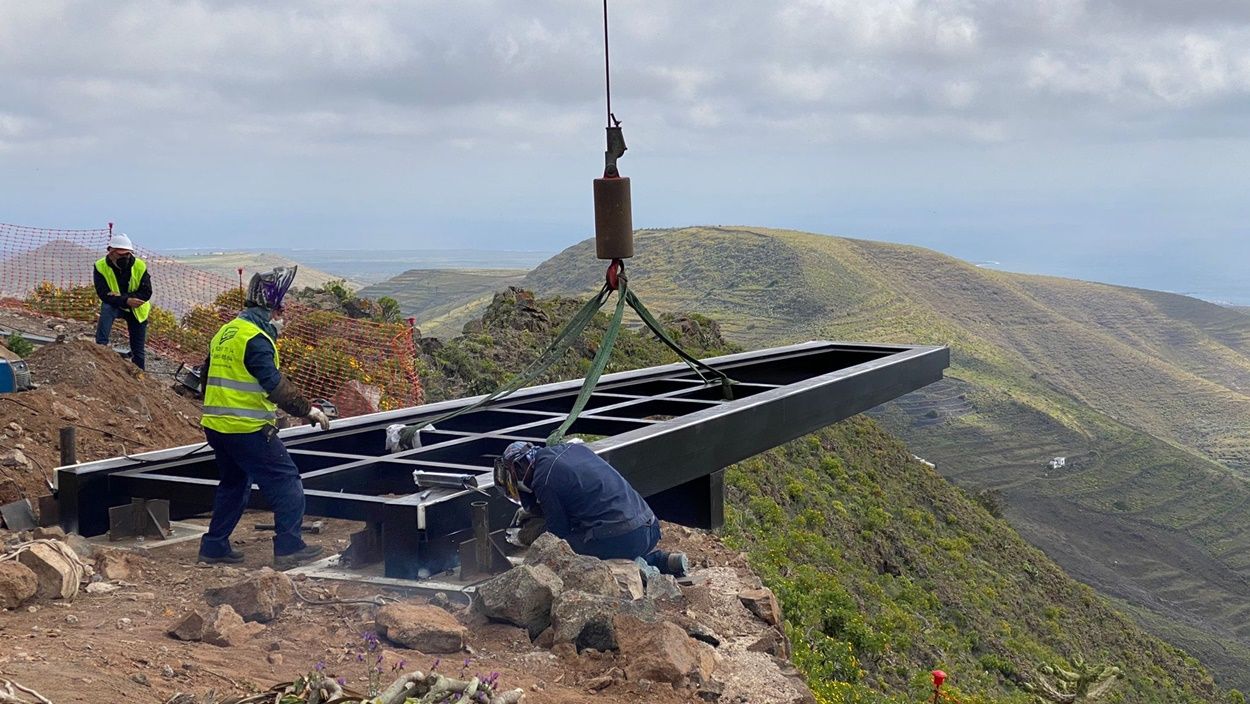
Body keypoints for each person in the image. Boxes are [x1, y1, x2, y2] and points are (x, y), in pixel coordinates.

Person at [197, 266, 331, 568]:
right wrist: (307, 410)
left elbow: (206, 376)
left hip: (217, 427)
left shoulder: (227, 331)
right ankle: (289, 548)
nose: (283, 316)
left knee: (233, 484)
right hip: (246, 428)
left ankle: (214, 547)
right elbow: (273, 384)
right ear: (270, 308)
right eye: (281, 309)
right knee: (286, 482)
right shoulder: (256, 339)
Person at [494, 440, 689, 576]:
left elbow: (556, 536)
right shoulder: (572, 450)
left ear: (518, 470)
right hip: (650, 528)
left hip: (623, 538)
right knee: (593, 534)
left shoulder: (544, 480)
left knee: (563, 553)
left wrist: (526, 537)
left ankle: (638, 566)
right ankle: (662, 560)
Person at [92, 232, 151, 370]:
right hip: (116, 306)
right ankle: (101, 347)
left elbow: (146, 292)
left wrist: (122, 298)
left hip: (137, 310)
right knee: (106, 307)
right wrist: (126, 300)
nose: (124, 257)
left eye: (127, 254)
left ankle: (140, 377)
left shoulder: (139, 266)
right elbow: (103, 294)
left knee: (139, 352)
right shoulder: (100, 266)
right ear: (111, 252)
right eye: (120, 254)